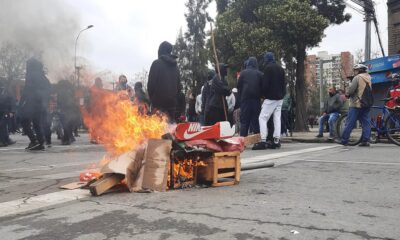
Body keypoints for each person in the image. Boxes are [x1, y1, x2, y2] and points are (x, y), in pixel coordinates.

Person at [253, 52, 286, 150]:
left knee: (262, 118)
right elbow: (284, 84)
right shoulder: (281, 69)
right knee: (277, 118)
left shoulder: (268, 68)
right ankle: (276, 141)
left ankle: (263, 141)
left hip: (271, 98)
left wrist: (263, 95)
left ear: (267, 59)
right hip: (280, 98)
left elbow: (265, 85)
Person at [19, 58, 51, 151]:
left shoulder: (30, 75)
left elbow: (27, 90)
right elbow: (49, 89)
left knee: (24, 121)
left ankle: (34, 141)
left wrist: (21, 103)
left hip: (31, 103)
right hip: (40, 104)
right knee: (37, 123)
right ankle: (40, 143)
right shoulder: (43, 76)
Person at [148, 41, 182, 122]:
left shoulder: (156, 63)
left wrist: (153, 100)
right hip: (171, 105)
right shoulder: (176, 67)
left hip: (158, 104)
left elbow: (150, 85)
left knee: (156, 131)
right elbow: (179, 87)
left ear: (160, 50)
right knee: (170, 130)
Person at [340, 64, 372, 147]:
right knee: (366, 123)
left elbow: (351, 91)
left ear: (360, 70)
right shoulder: (369, 78)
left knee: (349, 122)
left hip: (356, 104)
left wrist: (347, 94)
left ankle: (344, 140)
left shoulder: (357, 78)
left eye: (355, 70)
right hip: (366, 104)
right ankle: (365, 141)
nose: (354, 72)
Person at [237, 56, 263, 137]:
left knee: (244, 121)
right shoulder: (260, 74)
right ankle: (257, 140)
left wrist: (241, 97)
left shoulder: (243, 73)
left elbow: (238, 86)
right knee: (256, 120)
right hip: (256, 100)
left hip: (245, 100)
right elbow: (262, 87)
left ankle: (242, 140)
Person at [56, 80, 80, 145]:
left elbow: (59, 101)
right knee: (68, 125)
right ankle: (69, 138)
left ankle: (66, 139)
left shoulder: (61, 91)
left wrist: (59, 108)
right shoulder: (71, 90)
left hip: (64, 110)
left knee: (65, 125)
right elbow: (75, 100)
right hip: (71, 110)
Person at [0, 78, 16, 147]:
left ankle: (3, 141)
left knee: (2, 125)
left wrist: (12, 111)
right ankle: (7, 139)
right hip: (1, 111)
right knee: (2, 126)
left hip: (6, 111)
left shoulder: (7, 92)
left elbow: (12, 102)